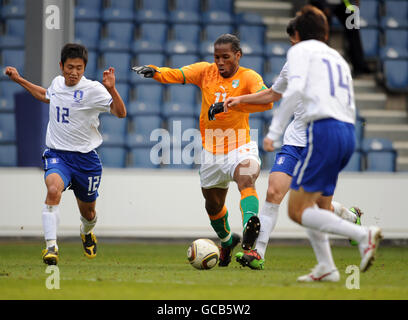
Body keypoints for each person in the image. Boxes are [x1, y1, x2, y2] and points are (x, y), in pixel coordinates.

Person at [225, 6, 382, 281]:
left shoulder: (300, 52)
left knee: (306, 209)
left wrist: (273, 131)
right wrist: (242, 100)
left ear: (297, 35)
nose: (291, 44)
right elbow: (275, 93)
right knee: (276, 192)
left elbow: (294, 91)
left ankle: (359, 231)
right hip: (336, 133)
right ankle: (265, 254)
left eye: (292, 39)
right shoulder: (338, 58)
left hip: (320, 134)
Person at [132, 34, 276, 267]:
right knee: (213, 206)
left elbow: (267, 101)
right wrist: (155, 71)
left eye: (226, 57)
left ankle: (250, 232)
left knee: (246, 179)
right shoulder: (205, 71)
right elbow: (178, 74)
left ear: (237, 56)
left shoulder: (248, 77)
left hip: (240, 144)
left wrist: (236, 102)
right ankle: (227, 241)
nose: (220, 62)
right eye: (217, 57)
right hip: (211, 151)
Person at [4, 43, 127, 265]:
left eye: (79, 68)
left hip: (85, 159)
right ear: (61, 66)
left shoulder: (94, 90)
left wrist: (111, 89)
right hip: (58, 155)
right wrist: (19, 80)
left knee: (89, 213)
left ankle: (86, 232)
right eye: (70, 67)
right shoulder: (57, 83)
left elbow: (121, 113)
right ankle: (51, 248)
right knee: (53, 190)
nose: (74, 72)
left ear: (84, 68)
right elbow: (45, 95)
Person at [309, 0, 370, 77]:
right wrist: (323, 5)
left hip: (344, 3)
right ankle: (318, 66)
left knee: (353, 30)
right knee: (321, 33)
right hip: (322, 3)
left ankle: (359, 66)